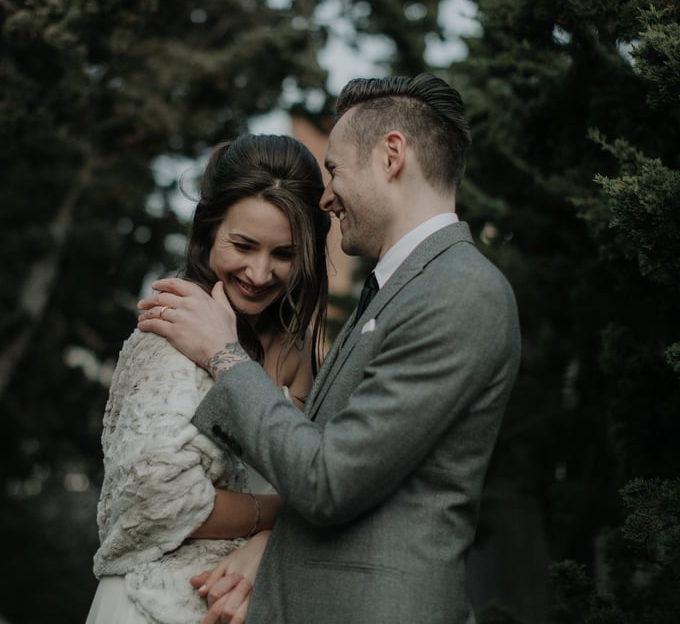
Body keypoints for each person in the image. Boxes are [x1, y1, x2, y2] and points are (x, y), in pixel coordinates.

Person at [137, 73, 522, 624]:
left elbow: (329, 481)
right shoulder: (400, 289)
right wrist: (270, 541)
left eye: (335, 169)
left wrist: (224, 355)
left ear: (392, 156)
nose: (325, 195)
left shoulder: (459, 291)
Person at [86, 134, 331, 624]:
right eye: (242, 245)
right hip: (152, 608)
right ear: (206, 232)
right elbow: (157, 499)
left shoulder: (301, 347)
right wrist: (281, 515)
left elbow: (309, 471)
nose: (259, 273)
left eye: (283, 253)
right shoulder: (169, 332)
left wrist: (267, 541)